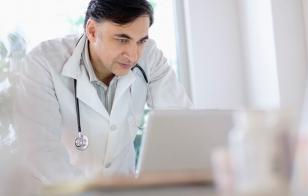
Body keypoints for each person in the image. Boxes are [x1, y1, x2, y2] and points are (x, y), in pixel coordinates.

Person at [14, 0, 191, 184]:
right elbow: (40, 151)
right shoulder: (44, 62)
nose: (133, 55)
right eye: (122, 39)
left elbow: (181, 122)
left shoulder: (149, 57)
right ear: (92, 31)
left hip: (125, 188)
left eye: (141, 41)